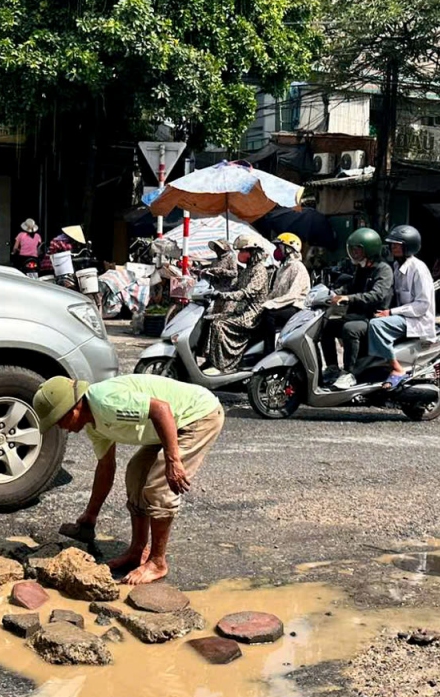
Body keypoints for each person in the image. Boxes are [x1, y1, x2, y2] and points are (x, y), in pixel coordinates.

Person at [38, 374, 225, 585]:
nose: (61, 428)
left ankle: (157, 562)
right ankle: (137, 550)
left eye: (58, 420)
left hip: (198, 415)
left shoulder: (104, 401)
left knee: (159, 487)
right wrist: (90, 515)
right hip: (166, 424)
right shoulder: (93, 424)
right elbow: (106, 468)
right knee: (135, 474)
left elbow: (160, 409)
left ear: (73, 409)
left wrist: (173, 460)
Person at [365, 224, 436, 389]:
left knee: (377, 325)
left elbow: (422, 306)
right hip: (404, 317)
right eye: (392, 244)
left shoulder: (418, 269)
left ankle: (397, 368)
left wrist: (390, 312)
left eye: (397, 245)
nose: (393, 247)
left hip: (418, 320)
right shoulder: (397, 267)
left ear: (409, 246)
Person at [323, 227, 393, 384]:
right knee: (326, 326)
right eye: (352, 249)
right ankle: (332, 367)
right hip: (359, 315)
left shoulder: (383, 270)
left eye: (358, 250)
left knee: (350, 329)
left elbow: (377, 295)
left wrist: (348, 298)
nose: (354, 253)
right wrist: (332, 294)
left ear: (369, 249)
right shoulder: (362, 268)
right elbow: (351, 287)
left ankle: (350, 372)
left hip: (374, 317)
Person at [203, 233, 273, 374]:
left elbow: (246, 293)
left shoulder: (260, 271)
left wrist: (223, 295)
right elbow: (235, 286)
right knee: (208, 320)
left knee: (218, 325)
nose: (240, 254)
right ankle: (210, 359)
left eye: (243, 251)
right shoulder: (247, 269)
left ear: (252, 252)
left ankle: (224, 365)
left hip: (251, 313)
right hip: (239, 309)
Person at [259, 232, 311, 336]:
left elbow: (293, 295)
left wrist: (272, 304)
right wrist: (264, 302)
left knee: (269, 316)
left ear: (289, 249)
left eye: (280, 247)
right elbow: (275, 292)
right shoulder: (282, 268)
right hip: (284, 304)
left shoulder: (297, 267)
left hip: (296, 306)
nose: (277, 250)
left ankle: (269, 350)